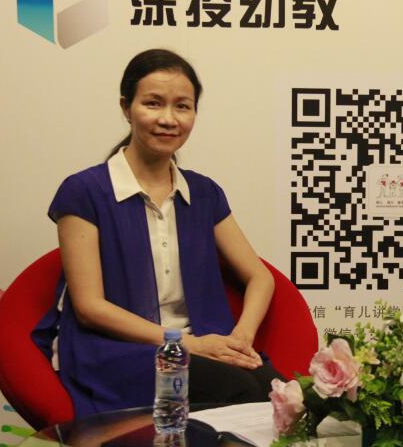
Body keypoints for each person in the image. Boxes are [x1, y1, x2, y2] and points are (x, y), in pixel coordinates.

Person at [33, 49, 283, 418]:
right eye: (153, 103)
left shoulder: (204, 193)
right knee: (239, 389)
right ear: (126, 107)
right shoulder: (84, 191)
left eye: (182, 106)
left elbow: (260, 276)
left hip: (204, 347)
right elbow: (89, 307)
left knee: (284, 396)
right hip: (119, 352)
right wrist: (190, 344)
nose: (168, 119)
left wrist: (240, 339)